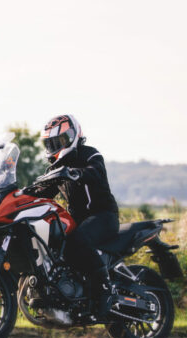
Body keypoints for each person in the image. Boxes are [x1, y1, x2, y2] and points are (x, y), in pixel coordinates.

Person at [34, 114, 120, 318]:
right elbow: (43, 192)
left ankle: (104, 291)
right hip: (78, 220)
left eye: (60, 141)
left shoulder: (90, 154)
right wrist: (20, 195)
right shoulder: (56, 169)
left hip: (103, 215)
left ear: (74, 136)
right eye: (51, 143)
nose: (56, 146)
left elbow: (95, 171)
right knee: (54, 243)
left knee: (78, 240)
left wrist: (76, 173)